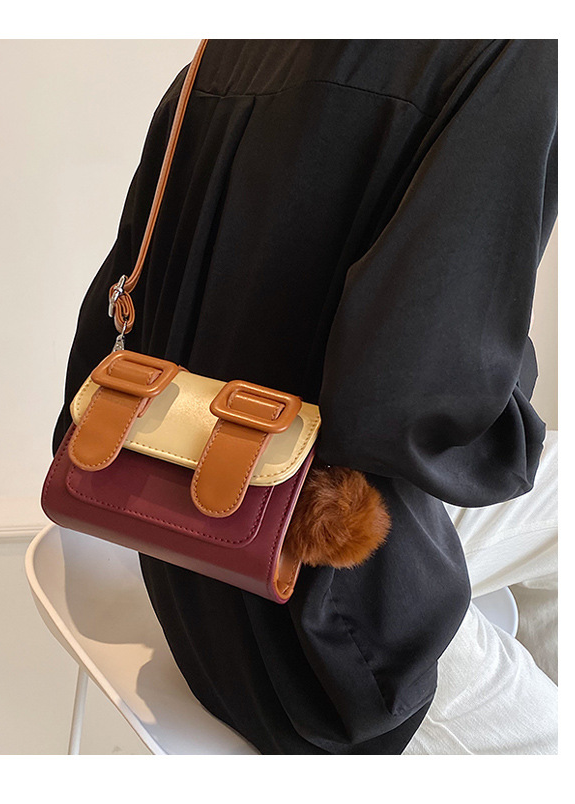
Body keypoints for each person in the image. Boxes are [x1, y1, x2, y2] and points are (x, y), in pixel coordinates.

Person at [52, 39, 558, 754]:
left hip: (185, 557)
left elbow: (113, 324)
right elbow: (415, 403)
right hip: (331, 637)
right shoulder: (507, 51)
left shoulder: (230, 48)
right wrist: (510, 406)